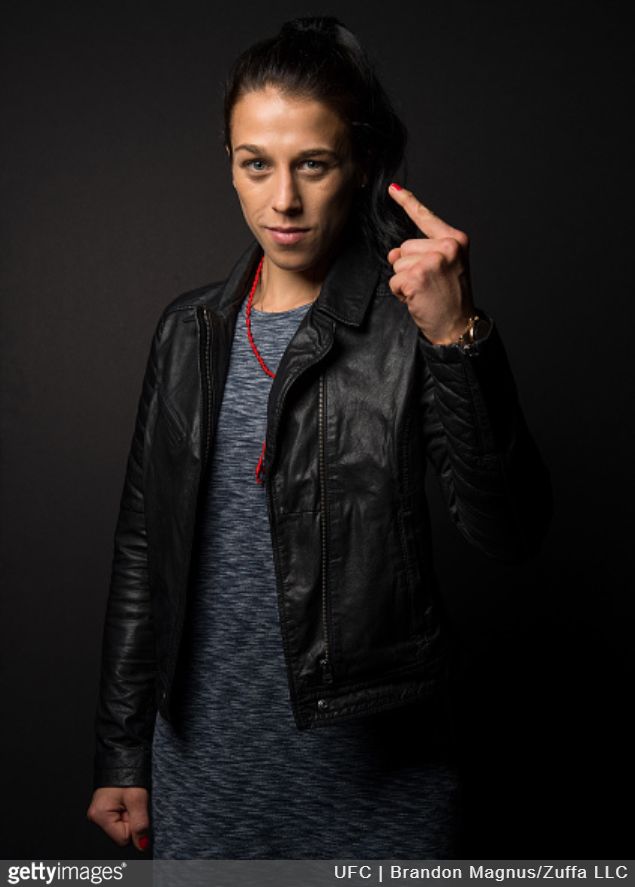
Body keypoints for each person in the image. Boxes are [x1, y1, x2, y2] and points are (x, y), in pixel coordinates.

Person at [87, 16, 552, 859]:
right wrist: (123, 749)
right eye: (254, 164)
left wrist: (457, 337)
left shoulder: (415, 327)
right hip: (204, 775)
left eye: (313, 163)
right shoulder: (187, 331)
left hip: (380, 785)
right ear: (228, 162)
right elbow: (142, 549)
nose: (283, 200)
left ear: (361, 164)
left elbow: (511, 530)